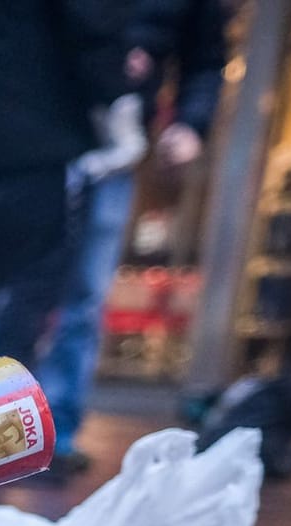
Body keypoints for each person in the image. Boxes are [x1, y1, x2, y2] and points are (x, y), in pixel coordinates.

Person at [29, 0, 228, 476]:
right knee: (26, 282)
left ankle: (50, 433)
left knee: (84, 295)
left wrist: (190, 123)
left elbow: (204, 59)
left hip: (117, 147)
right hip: (45, 136)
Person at [0, 0, 134, 371]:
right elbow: (90, 33)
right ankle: (0, 406)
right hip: (40, 144)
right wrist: (118, 102)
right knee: (32, 286)